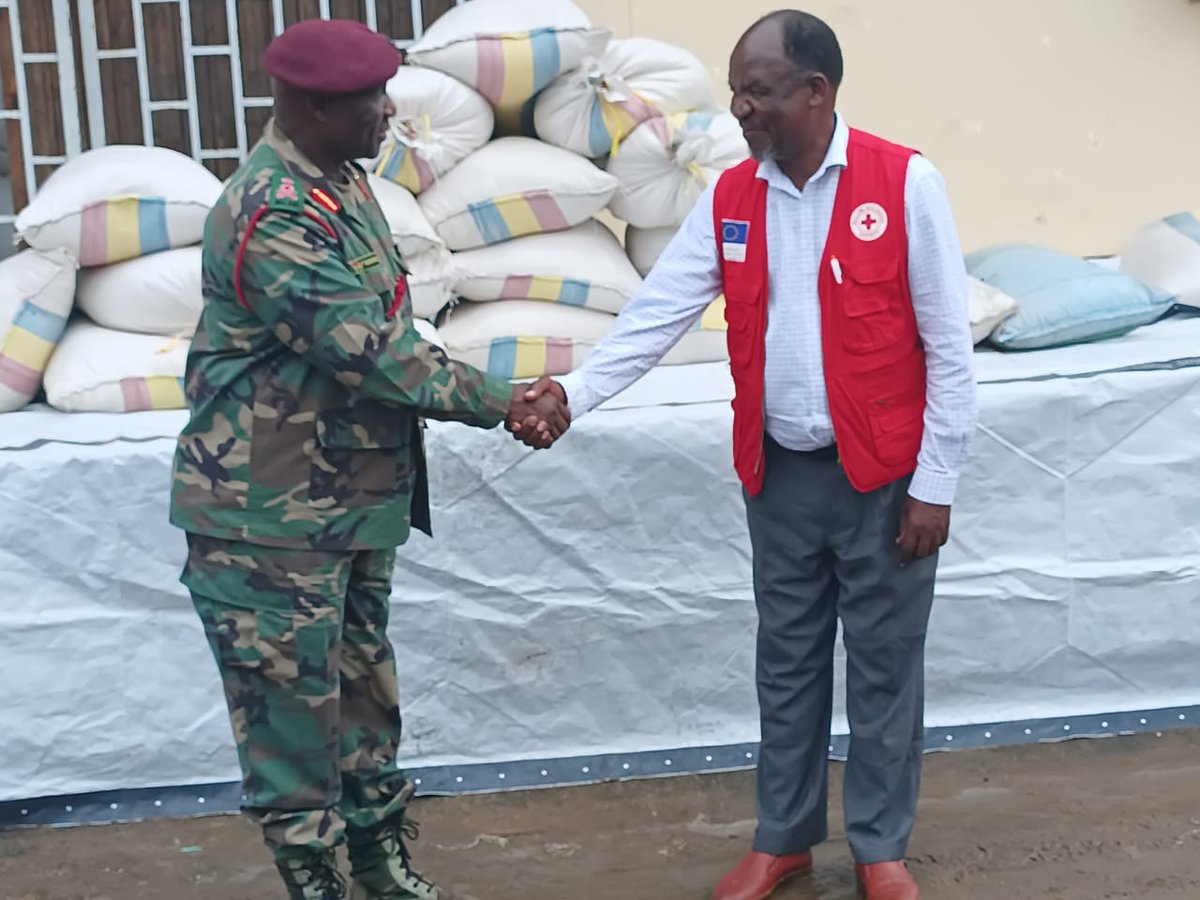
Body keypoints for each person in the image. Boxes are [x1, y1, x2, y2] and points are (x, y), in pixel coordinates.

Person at [519, 9, 977, 900]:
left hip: (882, 479)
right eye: (736, 91)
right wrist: (571, 395)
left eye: (758, 90)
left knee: (884, 667)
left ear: (816, 91)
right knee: (789, 661)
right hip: (781, 476)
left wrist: (937, 483)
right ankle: (785, 839)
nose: (741, 109)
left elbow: (948, 345)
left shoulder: (905, 181)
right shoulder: (734, 196)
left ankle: (880, 849)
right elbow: (658, 312)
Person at [168, 18, 568, 900]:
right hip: (266, 517)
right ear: (315, 105)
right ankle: (317, 883)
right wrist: (507, 402)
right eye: (369, 101)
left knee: (361, 703)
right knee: (291, 726)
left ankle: (382, 869)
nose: (387, 113)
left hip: (344, 504)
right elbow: (372, 351)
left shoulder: (341, 184)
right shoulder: (271, 208)